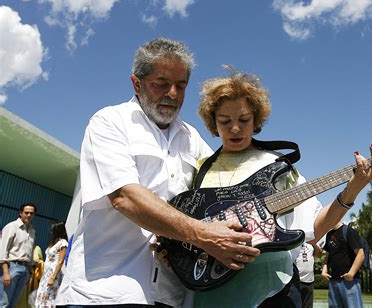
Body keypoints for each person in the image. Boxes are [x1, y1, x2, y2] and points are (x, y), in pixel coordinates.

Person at [55, 38, 260, 307]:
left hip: (170, 293)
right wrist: (202, 235)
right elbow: (125, 197)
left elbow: (214, 197)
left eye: (181, 85)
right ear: (137, 83)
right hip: (106, 291)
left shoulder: (192, 139)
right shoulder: (110, 122)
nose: (172, 94)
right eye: (161, 84)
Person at [183, 66, 372, 307]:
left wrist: (352, 189)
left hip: (272, 293)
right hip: (211, 294)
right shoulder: (201, 169)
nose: (235, 128)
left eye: (244, 119)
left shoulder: (277, 166)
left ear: (256, 119)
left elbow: (315, 226)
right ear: (213, 123)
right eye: (225, 121)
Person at [0, 203, 37, 307]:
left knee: (13, 303)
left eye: (31, 213)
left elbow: (29, 253)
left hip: (25, 269)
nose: (29, 215)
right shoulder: (12, 227)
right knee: (3, 302)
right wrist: (6, 272)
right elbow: (3, 250)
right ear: (20, 213)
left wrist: (29, 272)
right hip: (12, 267)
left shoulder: (32, 231)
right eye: (26, 213)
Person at [321, 222, 365, 308]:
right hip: (333, 280)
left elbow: (360, 254)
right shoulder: (329, 234)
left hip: (349, 282)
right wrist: (324, 269)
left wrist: (351, 273)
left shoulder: (349, 231)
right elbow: (328, 253)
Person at [35, 222, 68, 307]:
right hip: (46, 274)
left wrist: (53, 277)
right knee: (42, 296)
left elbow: (60, 261)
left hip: (53, 274)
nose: (50, 232)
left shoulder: (63, 243)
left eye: (52, 230)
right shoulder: (53, 243)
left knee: (49, 298)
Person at [295, 240, 317, 308]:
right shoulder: (294, 243)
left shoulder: (311, 244)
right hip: (297, 281)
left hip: (309, 280)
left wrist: (315, 243)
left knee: (308, 306)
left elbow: (319, 254)